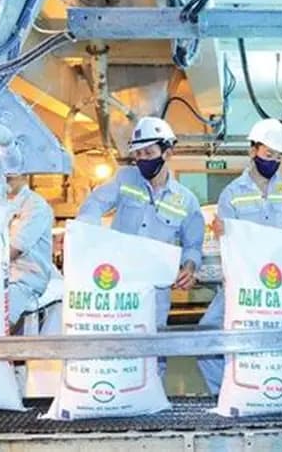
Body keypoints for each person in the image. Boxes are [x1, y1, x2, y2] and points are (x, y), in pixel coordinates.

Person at [197, 118, 282, 394]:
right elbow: (226, 240)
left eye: (278, 157)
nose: (273, 161)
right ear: (253, 151)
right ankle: (225, 393)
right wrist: (223, 232)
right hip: (244, 285)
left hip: (281, 285)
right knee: (206, 337)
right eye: (268, 154)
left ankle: (280, 391)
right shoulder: (231, 194)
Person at [77, 116, 204, 375]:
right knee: (114, 349)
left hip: (155, 291)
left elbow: (193, 245)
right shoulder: (124, 179)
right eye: (138, 154)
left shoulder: (186, 200)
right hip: (118, 284)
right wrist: (85, 235)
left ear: (167, 153)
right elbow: (94, 205)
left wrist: (190, 267)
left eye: (149, 153)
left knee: (152, 353)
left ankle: (152, 395)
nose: (142, 159)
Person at [4, 149, 55, 330]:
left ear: (24, 175)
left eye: (10, 177)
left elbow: (15, 249)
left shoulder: (36, 206)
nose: (5, 181)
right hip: (0, 274)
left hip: (25, 279)